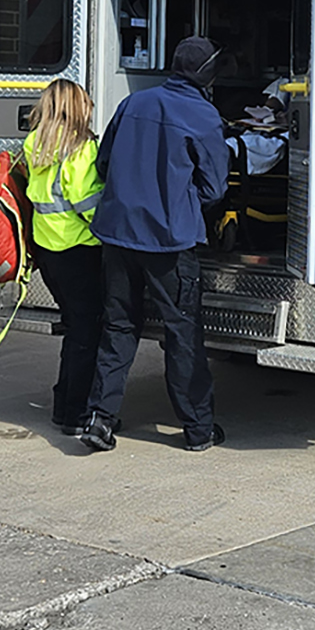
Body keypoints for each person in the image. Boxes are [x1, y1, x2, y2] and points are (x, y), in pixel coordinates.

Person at [80, 37, 231, 453]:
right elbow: (215, 188)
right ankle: (198, 429)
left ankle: (100, 419)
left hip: (117, 236)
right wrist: (180, 205)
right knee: (182, 333)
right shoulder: (203, 115)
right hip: (169, 243)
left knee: (118, 328)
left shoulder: (134, 103)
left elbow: (104, 162)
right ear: (208, 74)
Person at [18, 80, 106, 437]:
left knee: (74, 329)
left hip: (48, 251)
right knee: (87, 334)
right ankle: (76, 413)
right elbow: (88, 204)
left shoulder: (34, 143)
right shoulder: (82, 149)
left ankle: (62, 406)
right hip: (80, 250)